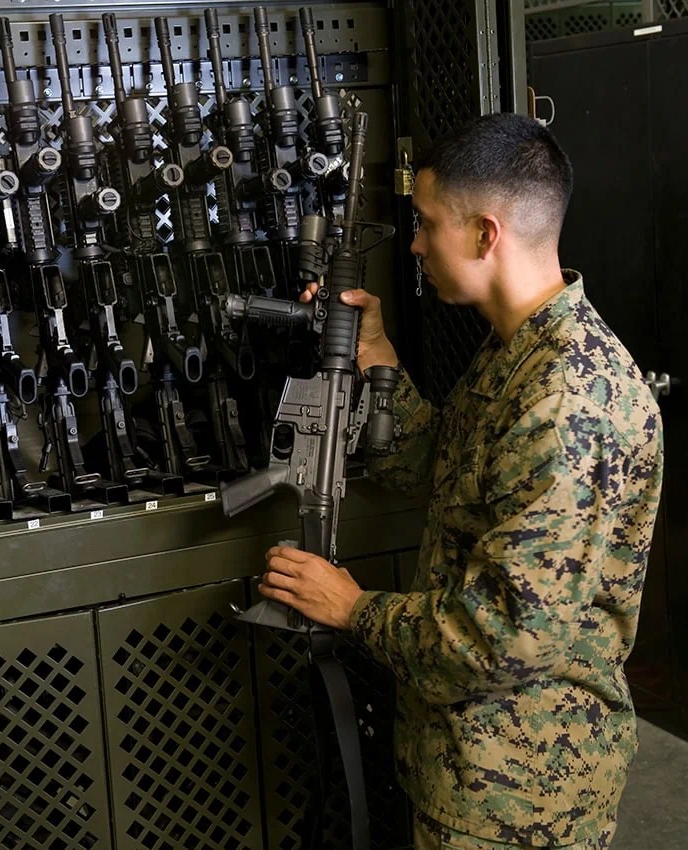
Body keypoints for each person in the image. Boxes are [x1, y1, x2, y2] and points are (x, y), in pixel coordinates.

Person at [259, 113, 663, 849]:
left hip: (523, 794)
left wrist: (353, 609)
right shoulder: (520, 355)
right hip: (469, 768)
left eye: (425, 223)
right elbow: (443, 467)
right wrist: (377, 352)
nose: (414, 244)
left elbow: (503, 638)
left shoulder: (565, 400)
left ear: (484, 234)